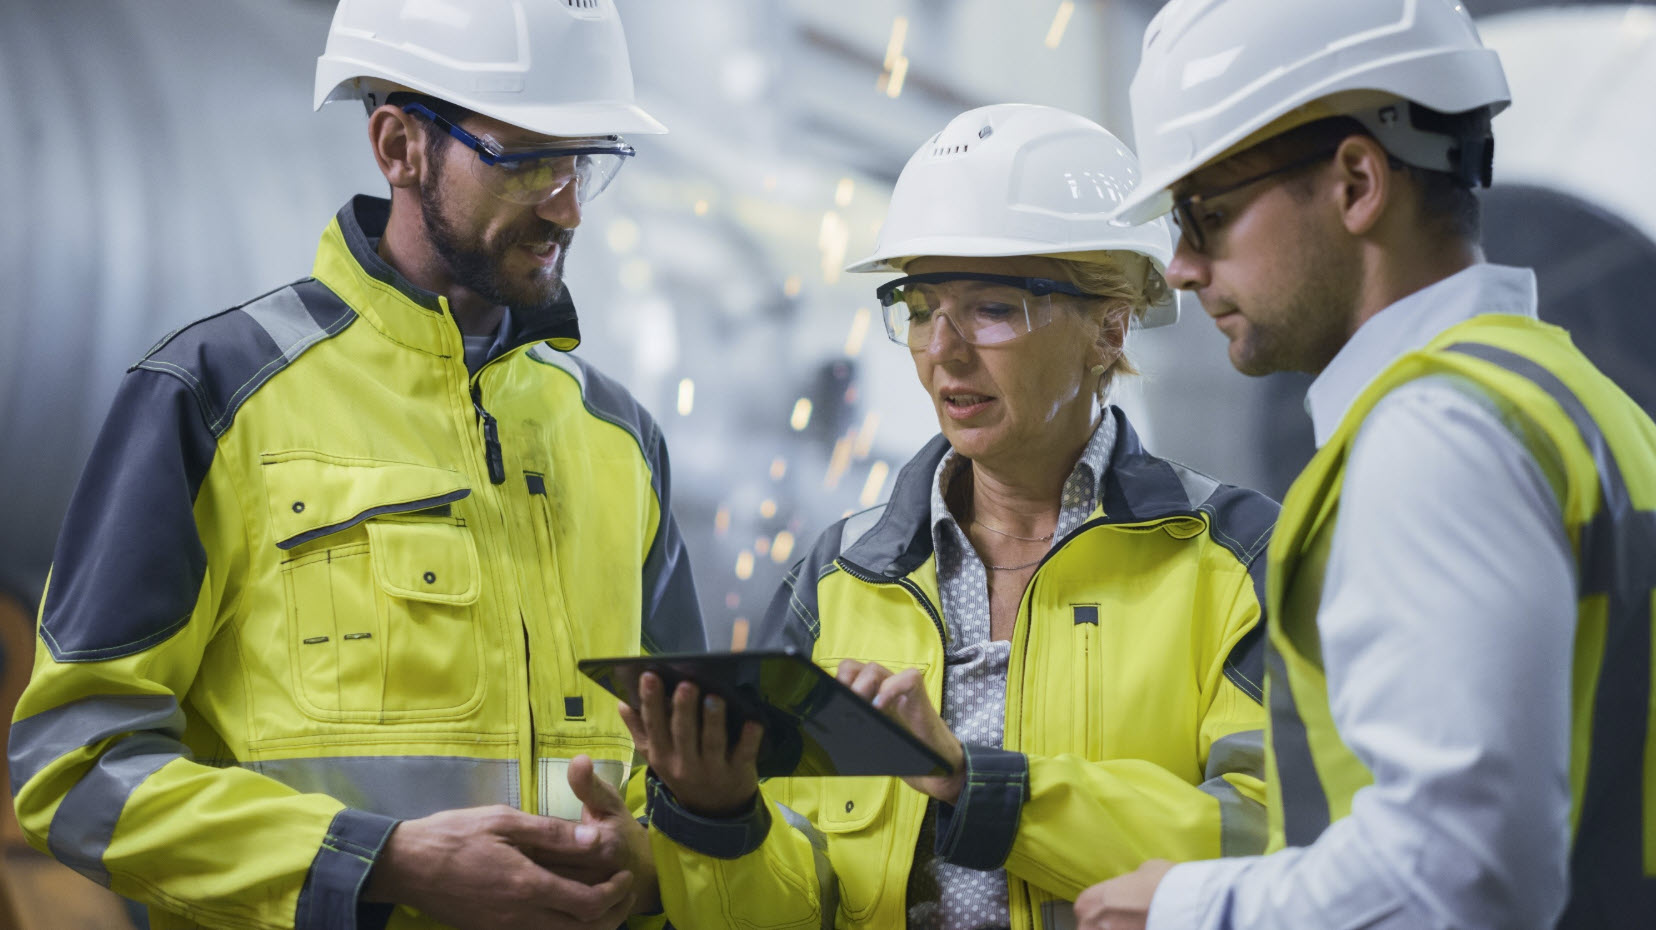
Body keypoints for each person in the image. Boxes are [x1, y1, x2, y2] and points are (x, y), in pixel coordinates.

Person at [7, 1, 704, 928]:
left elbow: (692, 767)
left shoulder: (619, 437)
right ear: (398, 146)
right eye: (528, 158)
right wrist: (385, 863)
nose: (567, 203)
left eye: (584, 159)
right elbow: (75, 769)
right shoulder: (216, 396)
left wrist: (654, 858)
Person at [1074, 1, 1656, 928]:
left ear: (1355, 182)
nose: (1181, 266)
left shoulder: (1433, 439)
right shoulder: (1576, 401)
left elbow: (1462, 876)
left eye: (1207, 214)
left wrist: (1190, 908)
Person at [627, 104, 1278, 929]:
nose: (944, 350)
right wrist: (719, 818)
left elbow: (1268, 846)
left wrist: (976, 783)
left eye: (993, 308)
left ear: (1108, 328)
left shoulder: (1235, 562)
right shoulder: (841, 577)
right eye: (923, 305)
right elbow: (800, 904)